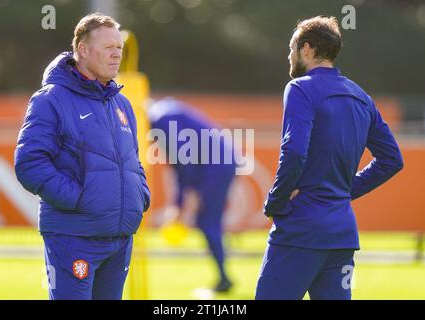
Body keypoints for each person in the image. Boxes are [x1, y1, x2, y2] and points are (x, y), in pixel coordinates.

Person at [255, 16, 404, 300]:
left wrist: (276, 200)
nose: (289, 55)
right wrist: (344, 192)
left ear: (307, 49)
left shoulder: (300, 88)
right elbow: (392, 159)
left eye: (292, 47)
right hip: (343, 234)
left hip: (301, 229)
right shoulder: (361, 97)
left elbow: (295, 150)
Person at [14, 13, 150, 300]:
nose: (116, 55)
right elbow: (30, 164)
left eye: (119, 48)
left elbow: (133, 161)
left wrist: (140, 196)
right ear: (83, 50)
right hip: (73, 238)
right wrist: (79, 200)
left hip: (119, 240)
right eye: (108, 48)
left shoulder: (121, 103)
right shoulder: (49, 99)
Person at [147, 97, 236, 292]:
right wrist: (179, 203)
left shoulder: (159, 119)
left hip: (215, 165)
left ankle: (224, 278)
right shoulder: (165, 110)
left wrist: (188, 197)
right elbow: (182, 162)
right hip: (219, 161)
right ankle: (223, 274)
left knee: (208, 221)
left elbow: (183, 160)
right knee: (209, 220)